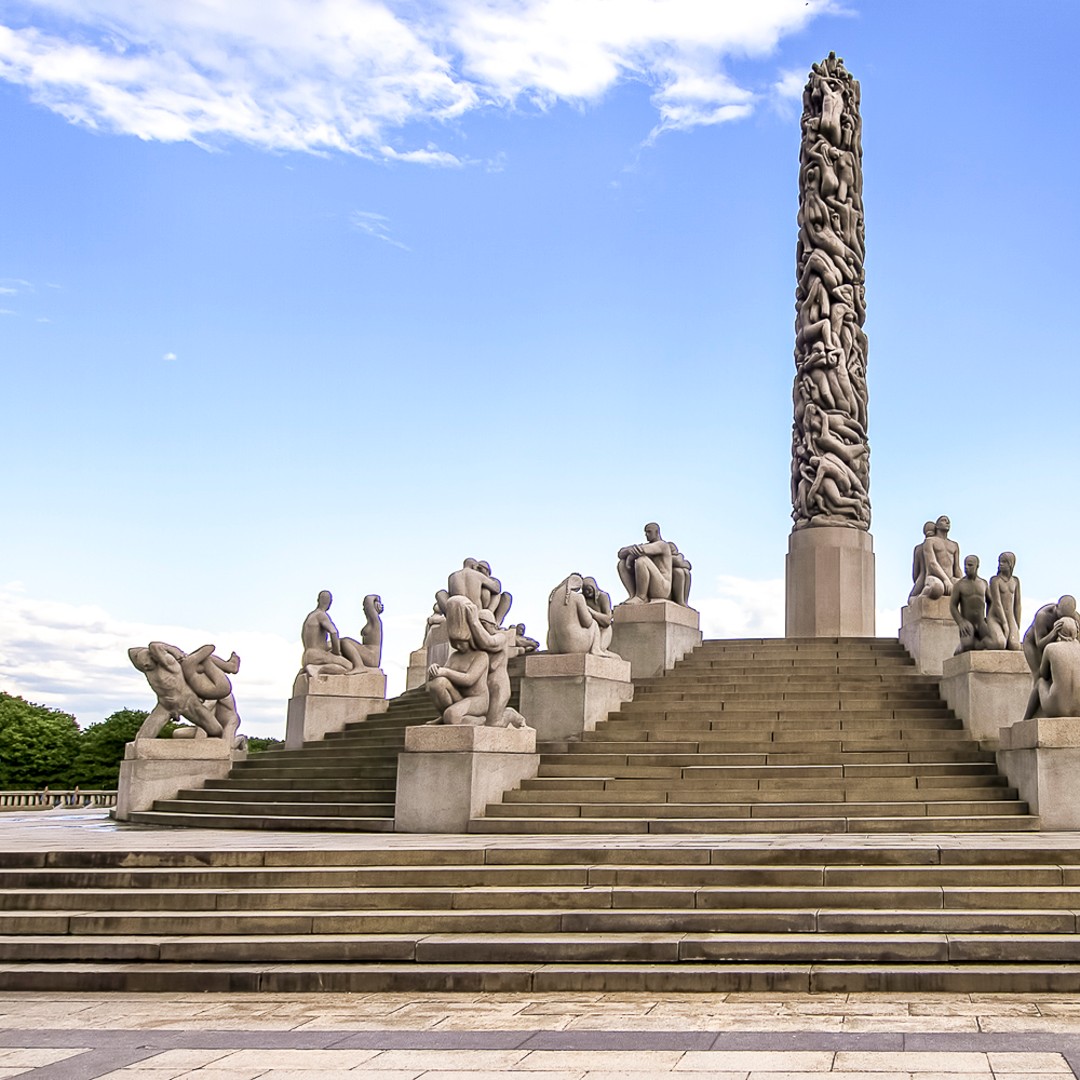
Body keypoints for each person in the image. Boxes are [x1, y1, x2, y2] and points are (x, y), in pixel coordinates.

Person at [129, 642, 241, 742]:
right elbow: (131, 651)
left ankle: (230, 666)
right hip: (165, 705)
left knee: (215, 730)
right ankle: (229, 666)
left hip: (187, 701)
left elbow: (154, 646)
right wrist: (145, 654)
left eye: (147, 663)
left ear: (154, 658)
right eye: (142, 664)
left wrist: (173, 650)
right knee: (142, 739)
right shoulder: (148, 669)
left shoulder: (169, 664)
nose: (145, 666)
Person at [1022, 596, 1078, 719]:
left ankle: (1054, 703)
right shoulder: (1043, 615)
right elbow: (1040, 644)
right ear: (1056, 608)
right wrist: (1053, 633)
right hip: (1034, 644)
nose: (1063, 619)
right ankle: (1029, 717)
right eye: (1060, 616)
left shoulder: (1076, 618)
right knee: (1039, 677)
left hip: (1057, 644)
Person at [617, 523, 681, 605]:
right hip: (650, 586)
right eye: (646, 532)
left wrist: (630, 557)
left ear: (657, 532)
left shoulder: (662, 545)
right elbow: (620, 554)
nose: (646, 535)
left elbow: (641, 550)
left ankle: (641, 597)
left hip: (662, 588)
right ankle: (633, 595)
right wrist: (629, 551)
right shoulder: (648, 546)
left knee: (642, 560)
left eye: (649, 532)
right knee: (621, 563)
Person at [1033, 617, 1080, 718]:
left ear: (1057, 631)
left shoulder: (1050, 648)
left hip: (1057, 709)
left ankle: (1026, 719)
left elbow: (1043, 674)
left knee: (1040, 682)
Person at [950, 555, 991, 654]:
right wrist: (960, 622)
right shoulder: (959, 585)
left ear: (977, 566)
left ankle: (976, 644)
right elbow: (952, 606)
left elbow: (991, 602)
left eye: (970, 565)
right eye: (965, 565)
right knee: (967, 645)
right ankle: (961, 647)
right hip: (967, 622)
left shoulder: (983, 583)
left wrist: (989, 618)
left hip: (981, 622)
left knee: (993, 643)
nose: (966, 568)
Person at [985, 553, 1022, 651]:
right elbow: (997, 603)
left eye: (1004, 562)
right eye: (1000, 561)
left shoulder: (1015, 581)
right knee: (1000, 643)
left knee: (1015, 645)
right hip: (995, 617)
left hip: (1010, 617)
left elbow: (1017, 604)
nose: (1001, 564)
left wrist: (1017, 625)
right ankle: (983, 641)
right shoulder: (995, 580)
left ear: (1010, 564)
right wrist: (1005, 624)